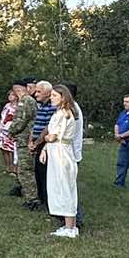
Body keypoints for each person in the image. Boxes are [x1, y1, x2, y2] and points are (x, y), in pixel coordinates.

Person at [42, 82, 83, 238]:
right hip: (60, 151)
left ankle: (70, 228)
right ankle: (70, 226)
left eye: (54, 95)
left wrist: (46, 139)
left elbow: (52, 136)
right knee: (64, 187)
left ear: (63, 97)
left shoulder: (64, 114)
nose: (51, 98)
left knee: (64, 188)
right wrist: (45, 148)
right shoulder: (62, 113)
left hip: (61, 154)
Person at [20, 81, 56, 208]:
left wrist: (36, 143)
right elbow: (34, 125)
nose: (36, 94)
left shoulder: (52, 107)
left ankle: (47, 201)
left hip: (44, 143)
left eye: (39, 92)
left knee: (44, 172)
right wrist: (30, 140)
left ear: (47, 93)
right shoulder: (39, 106)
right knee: (37, 171)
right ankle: (40, 198)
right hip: (36, 141)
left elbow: (48, 127)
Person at [0, 82, 24, 181]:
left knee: (11, 150)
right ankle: (7, 167)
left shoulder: (19, 107)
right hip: (4, 129)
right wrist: (0, 128)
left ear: (16, 97)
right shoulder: (7, 106)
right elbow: (2, 117)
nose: (10, 96)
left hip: (12, 130)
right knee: (3, 148)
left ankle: (13, 169)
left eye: (12, 95)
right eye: (9, 95)